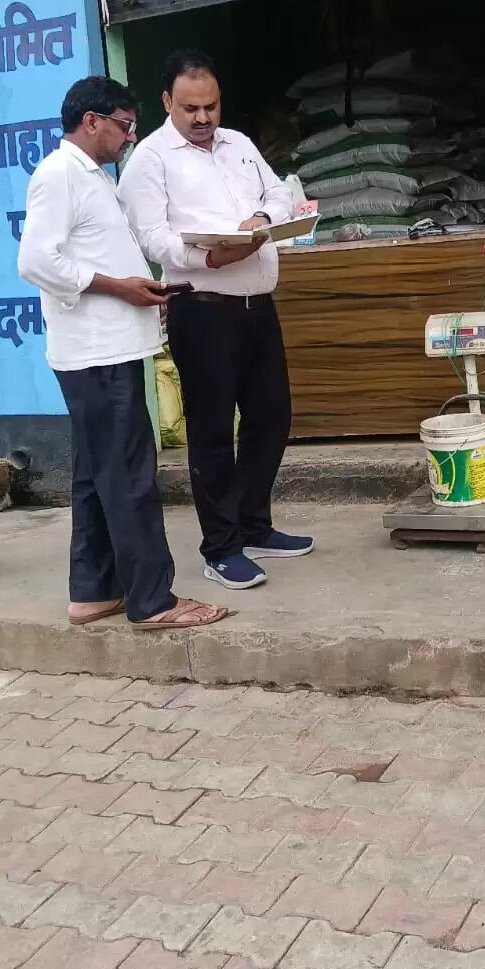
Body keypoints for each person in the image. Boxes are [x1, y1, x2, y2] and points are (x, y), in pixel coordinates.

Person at [17, 75, 227, 632]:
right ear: (92, 121)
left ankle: (92, 591)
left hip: (104, 348)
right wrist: (121, 289)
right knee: (130, 478)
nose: (129, 138)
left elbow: (92, 256)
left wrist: (142, 292)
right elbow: (36, 261)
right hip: (96, 356)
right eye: (125, 126)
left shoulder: (89, 176)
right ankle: (154, 600)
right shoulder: (60, 174)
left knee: (96, 476)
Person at [119, 49, 312, 591]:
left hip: (257, 304)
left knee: (271, 417)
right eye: (190, 109)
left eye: (211, 106)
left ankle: (254, 526)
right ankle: (220, 547)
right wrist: (207, 257)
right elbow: (151, 236)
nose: (203, 119)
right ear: (166, 102)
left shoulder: (240, 144)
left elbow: (279, 192)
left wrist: (263, 218)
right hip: (202, 311)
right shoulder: (150, 160)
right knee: (211, 433)